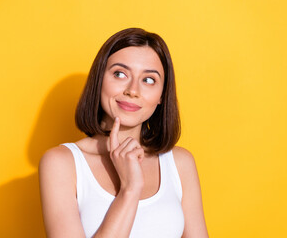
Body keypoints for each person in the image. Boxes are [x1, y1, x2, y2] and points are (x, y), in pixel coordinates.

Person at [39, 28, 208, 238]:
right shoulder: (62, 163)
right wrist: (130, 189)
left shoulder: (179, 163)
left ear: (161, 96)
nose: (132, 90)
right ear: (99, 80)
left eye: (148, 80)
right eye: (120, 74)